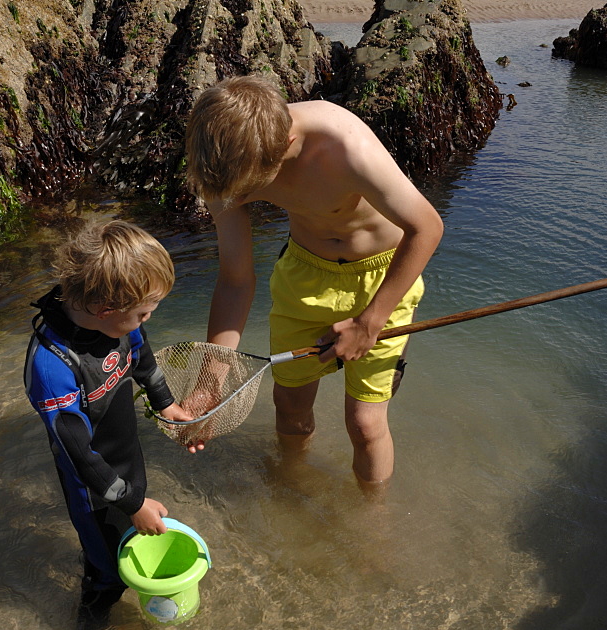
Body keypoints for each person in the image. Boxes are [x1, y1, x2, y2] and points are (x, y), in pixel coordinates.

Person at [184, 75, 444, 493]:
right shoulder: (223, 166)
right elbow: (235, 279)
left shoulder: (344, 145)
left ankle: (373, 525)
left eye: (253, 185)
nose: (242, 195)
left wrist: (370, 322)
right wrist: (209, 384)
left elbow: (427, 227)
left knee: (364, 424)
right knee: (287, 406)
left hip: (383, 279)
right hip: (304, 275)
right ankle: (291, 488)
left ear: (285, 146)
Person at [23, 220, 193, 630]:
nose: (146, 320)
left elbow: (142, 357)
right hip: (92, 488)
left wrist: (165, 403)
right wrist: (132, 502)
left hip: (126, 462)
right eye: (143, 313)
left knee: (133, 539)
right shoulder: (52, 365)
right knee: (106, 573)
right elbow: (78, 455)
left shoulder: (121, 325)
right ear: (105, 310)